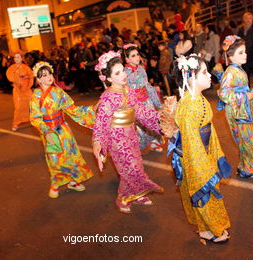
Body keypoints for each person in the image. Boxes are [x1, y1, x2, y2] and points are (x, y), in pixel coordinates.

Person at [167, 54, 232, 243]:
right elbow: (191, 143)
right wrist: (202, 168)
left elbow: (208, 128)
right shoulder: (188, 106)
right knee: (205, 193)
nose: (209, 75)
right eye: (204, 72)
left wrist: (217, 154)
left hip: (203, 152)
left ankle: (206, 228)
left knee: (207, 194)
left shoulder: (198, 98)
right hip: (193, 156)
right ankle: (213, 229)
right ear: (191, 78)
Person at [92, 51, 164, 214]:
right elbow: (101, 123)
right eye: (117, 73)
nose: (123, 74)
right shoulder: (107, 99)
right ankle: (122, 197)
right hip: (116, 140)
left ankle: (136, 194)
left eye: (122, 70)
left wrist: (161, 118)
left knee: (135, 165)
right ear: (108, 78)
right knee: (129, 167)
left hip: (131, 136)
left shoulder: (128, 92)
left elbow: (142, 112)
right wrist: (98, 143)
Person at [30, 62, 95, 199]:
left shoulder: (58, 91)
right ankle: (55, 184)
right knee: (55, 158)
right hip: (49, 132)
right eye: (44, 75)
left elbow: (72, 109)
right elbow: (35, 117)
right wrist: (46, 130)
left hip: (63, 130)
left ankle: (72, 181)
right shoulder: (36, 95)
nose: (49, 77)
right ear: (38, 79)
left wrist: (91, 110)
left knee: (70, 154)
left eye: (50, 74)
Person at [218, 35, 253, 179]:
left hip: (243, 110)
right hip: (237, 112)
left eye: (245, 51)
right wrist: (244, 97)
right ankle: (249, 168)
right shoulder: (230, 73)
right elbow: (223, 94)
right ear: (231, 56)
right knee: (247, 140)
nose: (245, 54)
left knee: (252, 138)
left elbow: (246, 92)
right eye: (241, 52)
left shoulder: (239, 70)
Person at [123, 44, 163, 152]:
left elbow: (147, 86)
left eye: (137, 54)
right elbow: (125, 91)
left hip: (147, 101)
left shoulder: (141, 69)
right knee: (140, 129)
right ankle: (136, 150)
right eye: (133, 55)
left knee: (153, 123)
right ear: (127, 59)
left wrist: (158, 103)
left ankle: (154, 143)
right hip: (136, 105)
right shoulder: (124, 73)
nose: (137, 57)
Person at [6, 51, 34, 131]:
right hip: (17, 90)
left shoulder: (26, 67)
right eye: (15, 57)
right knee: (18, 107)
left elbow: (31, 76)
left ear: (22, 58)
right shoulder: (12, 68)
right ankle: (16, 123)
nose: (16, 59)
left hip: (26, 90)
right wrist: (16, 81)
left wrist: (27, 77)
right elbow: (9, 76)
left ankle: (33, 120)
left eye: (18, 57)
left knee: (31, 106)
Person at [237, 12, 253, 85]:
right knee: (245, 72)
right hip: (244, 53)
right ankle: (246, 88)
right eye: (246, 18)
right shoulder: (241, 29)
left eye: (250, 18)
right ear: (244, 19)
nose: (248, 20)